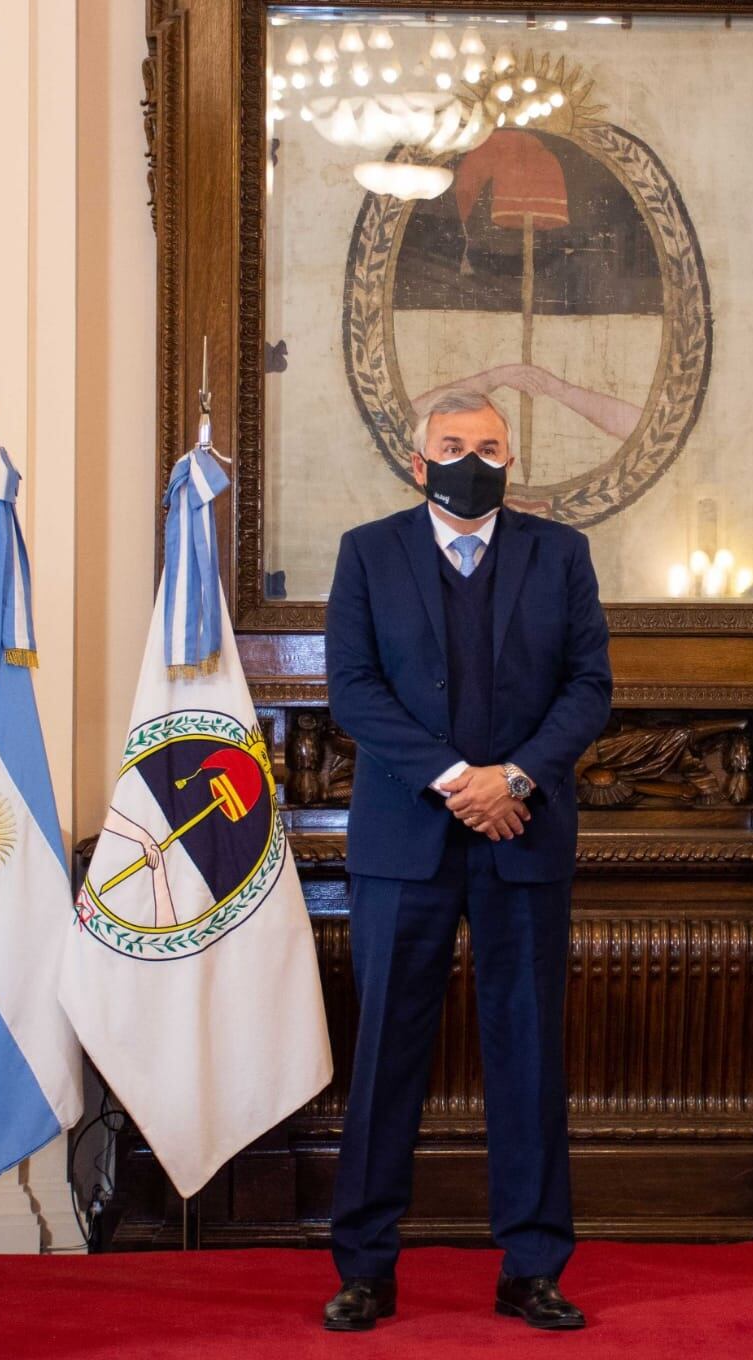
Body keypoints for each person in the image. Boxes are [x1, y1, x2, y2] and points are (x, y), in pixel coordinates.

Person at [322, 388, 612, 1332]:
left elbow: (589, 687)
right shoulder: (368, 553)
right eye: (453, 446)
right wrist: (458, 778)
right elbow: (354, 692)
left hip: (523, 839)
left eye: (490, 447)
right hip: (404, 845)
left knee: (528, 1055)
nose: (472, 461)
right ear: (418, 463)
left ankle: (533, 1266)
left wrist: (515, 780)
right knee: (384, 1058)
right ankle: (365, 1265)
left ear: (512, 461)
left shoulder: (558, 554)